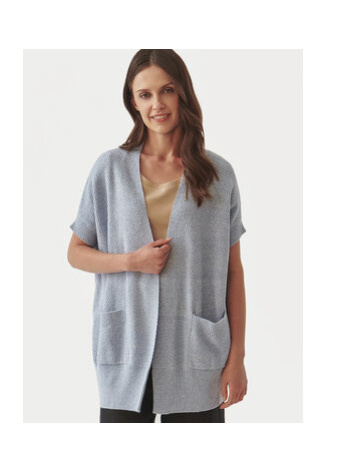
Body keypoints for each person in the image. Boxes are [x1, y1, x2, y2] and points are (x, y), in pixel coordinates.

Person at [68, 49, 248, 423]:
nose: (157, 104)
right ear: (133, 103)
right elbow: (76, 252)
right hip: (127, 347)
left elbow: (233, 271)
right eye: (145, 94)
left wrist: (237, 358)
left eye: (166, 90)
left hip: (195, 351)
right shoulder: (110, 169)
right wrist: (131, 261)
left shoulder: (218, 174)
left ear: (183, 92)